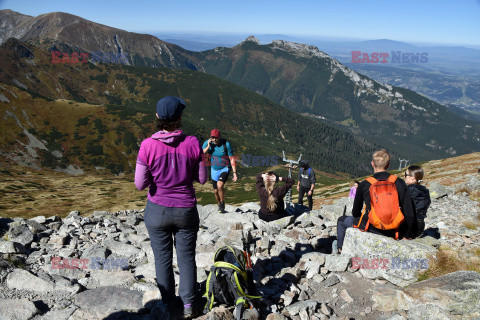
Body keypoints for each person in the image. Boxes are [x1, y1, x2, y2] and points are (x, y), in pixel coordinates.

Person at [135, 96, 207, 319]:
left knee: (162, 259)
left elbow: (139, 184)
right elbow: (202, 179)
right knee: (186, 258)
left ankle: (168, 305)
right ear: (180, 117)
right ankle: (188, 305)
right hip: (186, 209)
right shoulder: (193, 143)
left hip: (157, 210)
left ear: (157, 117)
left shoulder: (147, 145)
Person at [336, 149, 415, 253]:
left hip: (371, 227)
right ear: (388, 166)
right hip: (394, 230)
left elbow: (355, 212)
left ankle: (341, 249)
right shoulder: (399, 182)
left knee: (341, 220)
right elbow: (410, 213)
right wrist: (406, 235)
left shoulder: (364, 184)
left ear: (372, 164)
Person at [202, 129, 237, 213]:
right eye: (212, 137)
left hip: (225, 168)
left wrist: (234, 173)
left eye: (216, 138)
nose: (214, 139)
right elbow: (201, 153)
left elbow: (231, 158)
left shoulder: (226, 145)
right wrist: (208, 146)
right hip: (214, 169)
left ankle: (222, 202)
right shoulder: (208, 143)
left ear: (219, 137)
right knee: (215, 191)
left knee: (220, 185)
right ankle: (219, 205)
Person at [405, 165, 431, 237]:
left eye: (405, 174)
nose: (405, 177)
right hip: (420, 227)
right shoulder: (425, 191)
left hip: (408, 227)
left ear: (413, 177)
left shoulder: (408, 190)